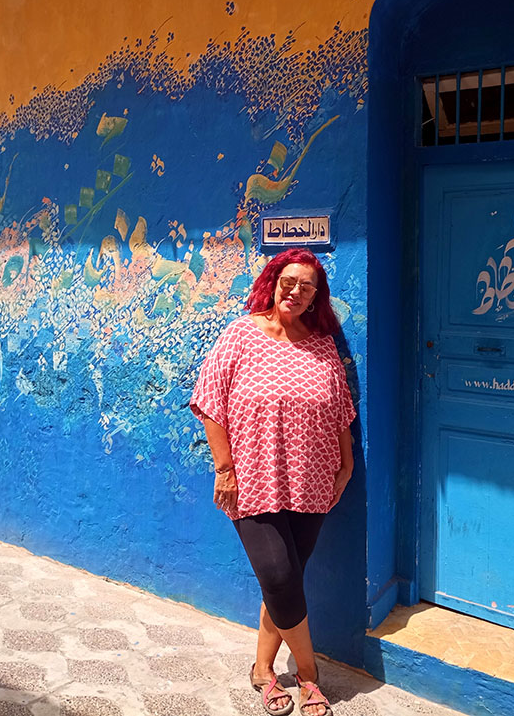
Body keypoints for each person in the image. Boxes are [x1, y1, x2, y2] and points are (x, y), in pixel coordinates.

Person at [190, 247, 355, 716]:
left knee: (285, 582)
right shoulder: (241, 335)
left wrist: (346, 464)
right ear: (273, 282)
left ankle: (263, 670)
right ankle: (309, 673)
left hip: (313, 479)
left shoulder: (322, 343)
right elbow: (210, 403)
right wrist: (225, 469)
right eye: (289, 281)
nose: (295, 291)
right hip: (253, 480)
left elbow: (340, 409)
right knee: (279, 576)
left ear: (316, 297)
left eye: (307, 287)